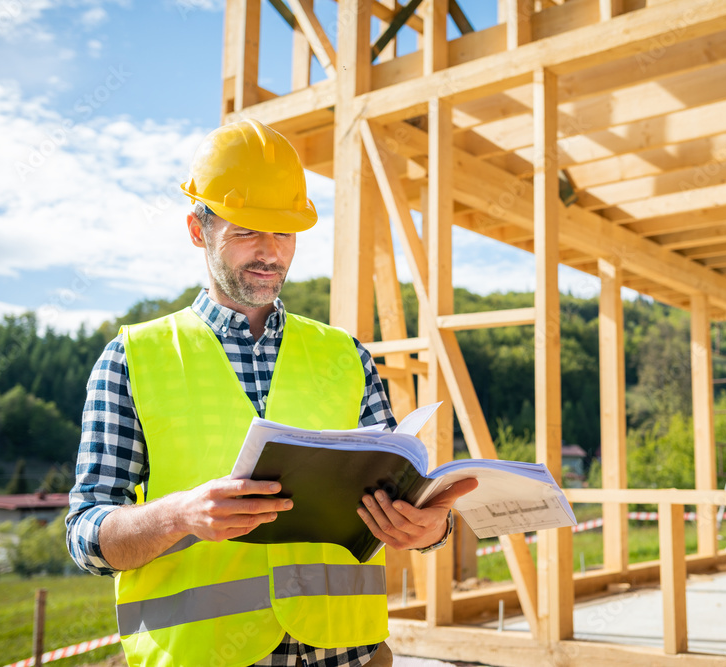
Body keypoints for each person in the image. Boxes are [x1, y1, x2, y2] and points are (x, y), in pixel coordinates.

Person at [66, 119, 477, 667]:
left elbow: (399, 493)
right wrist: (179, 515)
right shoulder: (132, 359)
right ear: (197, 229)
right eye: (246, 232)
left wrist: (429, 527)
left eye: (284, 232)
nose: (270, 253)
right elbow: (87, 539)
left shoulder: (344, 356)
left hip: (346, 652)